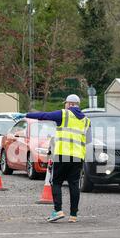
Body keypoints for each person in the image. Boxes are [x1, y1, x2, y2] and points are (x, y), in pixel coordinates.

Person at [26, 94, 91, 223]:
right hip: (78, 156)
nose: (65, 105)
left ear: (70, 104)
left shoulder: (64, 114)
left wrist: (28, 115)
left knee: (56, 182)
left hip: (62, 154)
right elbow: (88, 141)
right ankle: (73, 215)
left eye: (66, 103)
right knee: (74, 184)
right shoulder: (86, 121)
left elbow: (45, 115)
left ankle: (58, 210)